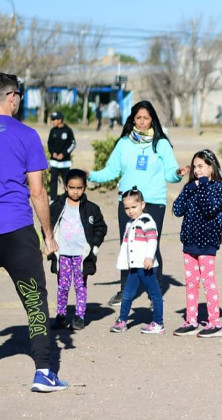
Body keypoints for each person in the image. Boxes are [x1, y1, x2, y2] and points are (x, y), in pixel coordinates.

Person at [0, 72, 68, 392]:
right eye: (18, 95)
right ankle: (44, 371)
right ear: (11, 98)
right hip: (18, 229)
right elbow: (37, 192)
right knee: (35, 298)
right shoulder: (27, 134)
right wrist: (48, 235)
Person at [88, 100, 189, 306]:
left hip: (153, 201)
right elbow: (111, 171)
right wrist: (89, 175)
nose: (142, 122)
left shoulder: (161, 143)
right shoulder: (124, 143)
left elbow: (170, 172)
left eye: (146, 118)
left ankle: (156, 291)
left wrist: (178, 173)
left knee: (151, 245)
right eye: (139, 118)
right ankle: (125, 290)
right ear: (133, 119)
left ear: (152, 120)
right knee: (127, 245)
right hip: (128, 202)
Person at [171, 150, 222, 338]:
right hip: (189, 243)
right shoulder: (191, 186)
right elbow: (177, 209)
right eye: (195, 167)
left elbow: (209, 209)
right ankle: (191, 320)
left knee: (208, 282)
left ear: (211, 167)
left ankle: (214, 323)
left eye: (201, 166)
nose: (197, 170)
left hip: (207, 244)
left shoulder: (217, 188)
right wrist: (189, 188)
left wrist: (203, 185)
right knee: (191, 283)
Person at [48, 169, 108, 331]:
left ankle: (79, 317)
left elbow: (101, 227)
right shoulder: (56, 206)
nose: (75, 191)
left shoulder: (91, 209)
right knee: (63, 285)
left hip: (82, 255)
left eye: (79, 188)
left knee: (80, 286)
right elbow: (46, 225)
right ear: (66, 187)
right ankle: (60, 315)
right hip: (63, 254)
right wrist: (49, 243)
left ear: (85, 188)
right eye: (72, 187)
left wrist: (94, 244)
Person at [110, 187, 165, 334]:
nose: (130, 211)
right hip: (134, 267)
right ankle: (122, 320)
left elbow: (153, 240)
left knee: (154, 294)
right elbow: (126, 245)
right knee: (127, 295)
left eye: (134, 207)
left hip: (146, 267)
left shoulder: (147, 221)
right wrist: (124, 263)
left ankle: (158, 323)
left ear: (142, 205)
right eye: (127, 208)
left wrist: (149, 257)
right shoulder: (130, 223)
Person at [47, 111, 76, 201]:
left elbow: (73, 144)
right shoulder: (52, 131)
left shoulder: (68, 130)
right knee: (53, 181)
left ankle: (69, 198)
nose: (52, 122)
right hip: (54, 162)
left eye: (54, 120)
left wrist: (63, 154)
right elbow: (50, 143)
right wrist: (53, 153)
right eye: (52, 119)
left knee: (66, 181)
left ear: (60, 120)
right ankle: (53, 199)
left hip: (65, 162)